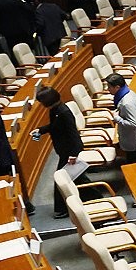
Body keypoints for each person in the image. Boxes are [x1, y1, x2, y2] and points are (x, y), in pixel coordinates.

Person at [33, 87, 88, 218]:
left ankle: (63, 209)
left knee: (61, 180)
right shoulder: (55, 110)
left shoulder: (64, 112)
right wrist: (41, 130)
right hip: (64, 150)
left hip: (69, 152)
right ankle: (94, 199)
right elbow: (55, 126)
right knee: (78, 179)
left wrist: (74, 154)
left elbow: (73, 135)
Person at [106, 74, 136, 163]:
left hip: (134, 141)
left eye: (109, 87)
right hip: (135, 138)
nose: (108, 89)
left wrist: (117, 118)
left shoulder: (126, 103)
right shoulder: (129, 92)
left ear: (117, 87)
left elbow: (134, 124)